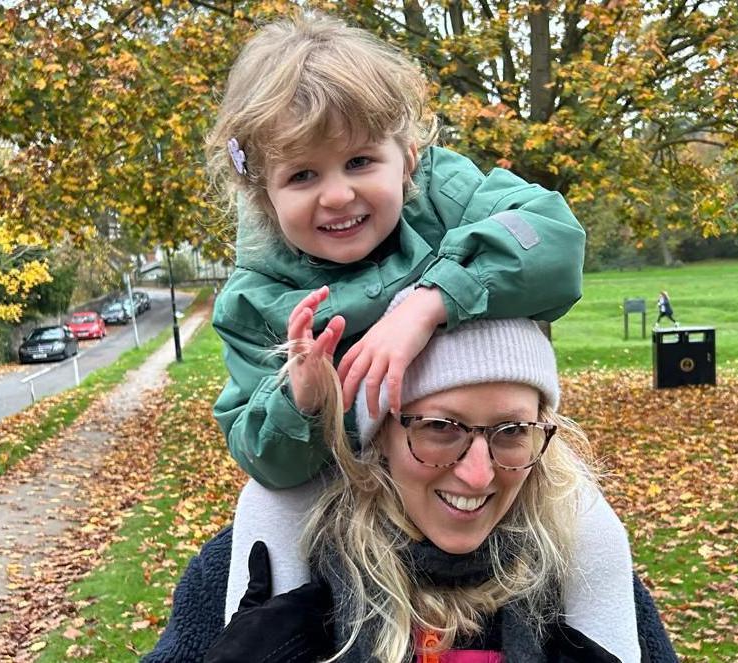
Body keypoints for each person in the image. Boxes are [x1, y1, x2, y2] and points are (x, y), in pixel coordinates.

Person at [204, 11, 631, 654]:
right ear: (263, 195)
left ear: (407, 158)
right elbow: (261, 450)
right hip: (338, 474)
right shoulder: (259, 299)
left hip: (474, 439)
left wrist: (428, 301)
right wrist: (306, 402)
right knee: (269, 507)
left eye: (358, 161)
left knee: (593, 529)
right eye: (302, 175)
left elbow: (554, 241)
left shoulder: (446, 198)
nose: (338, 195)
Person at [185, 309, 677, 662]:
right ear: (379, 437)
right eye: (440, 428)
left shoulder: (578, 570)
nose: (478, 474)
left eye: (511, 433)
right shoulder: (254, 569)